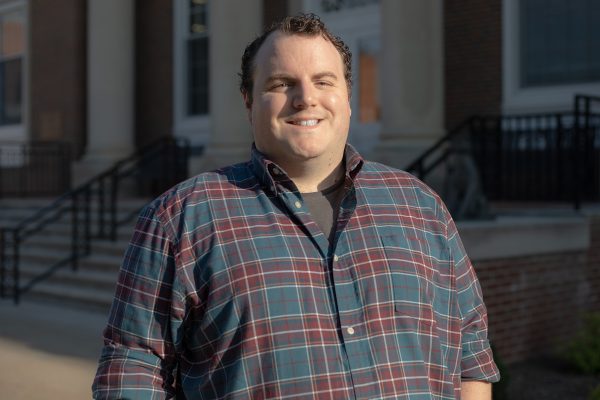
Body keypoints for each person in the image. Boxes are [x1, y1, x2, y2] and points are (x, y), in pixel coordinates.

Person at [93, 13, 499, 399]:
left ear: (347, 97)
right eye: (282, 83)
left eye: (324, 81)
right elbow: (132, 373)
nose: (306, 99)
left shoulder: (420, 206)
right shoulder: (181, 219)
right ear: (249, 100)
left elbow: (470, 353)